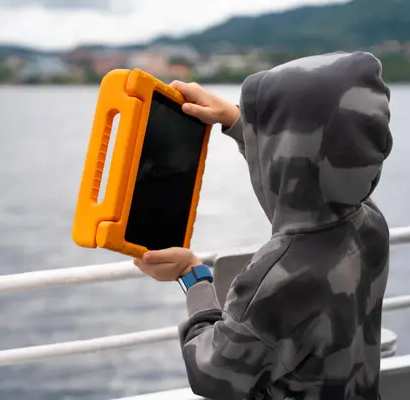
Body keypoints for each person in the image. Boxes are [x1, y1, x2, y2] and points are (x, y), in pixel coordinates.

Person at [134, 52, 393, 399]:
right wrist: (239, 124)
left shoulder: (280, 277)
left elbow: (212, 373)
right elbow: (311, 177)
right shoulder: (370, 225)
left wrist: (192, 276)